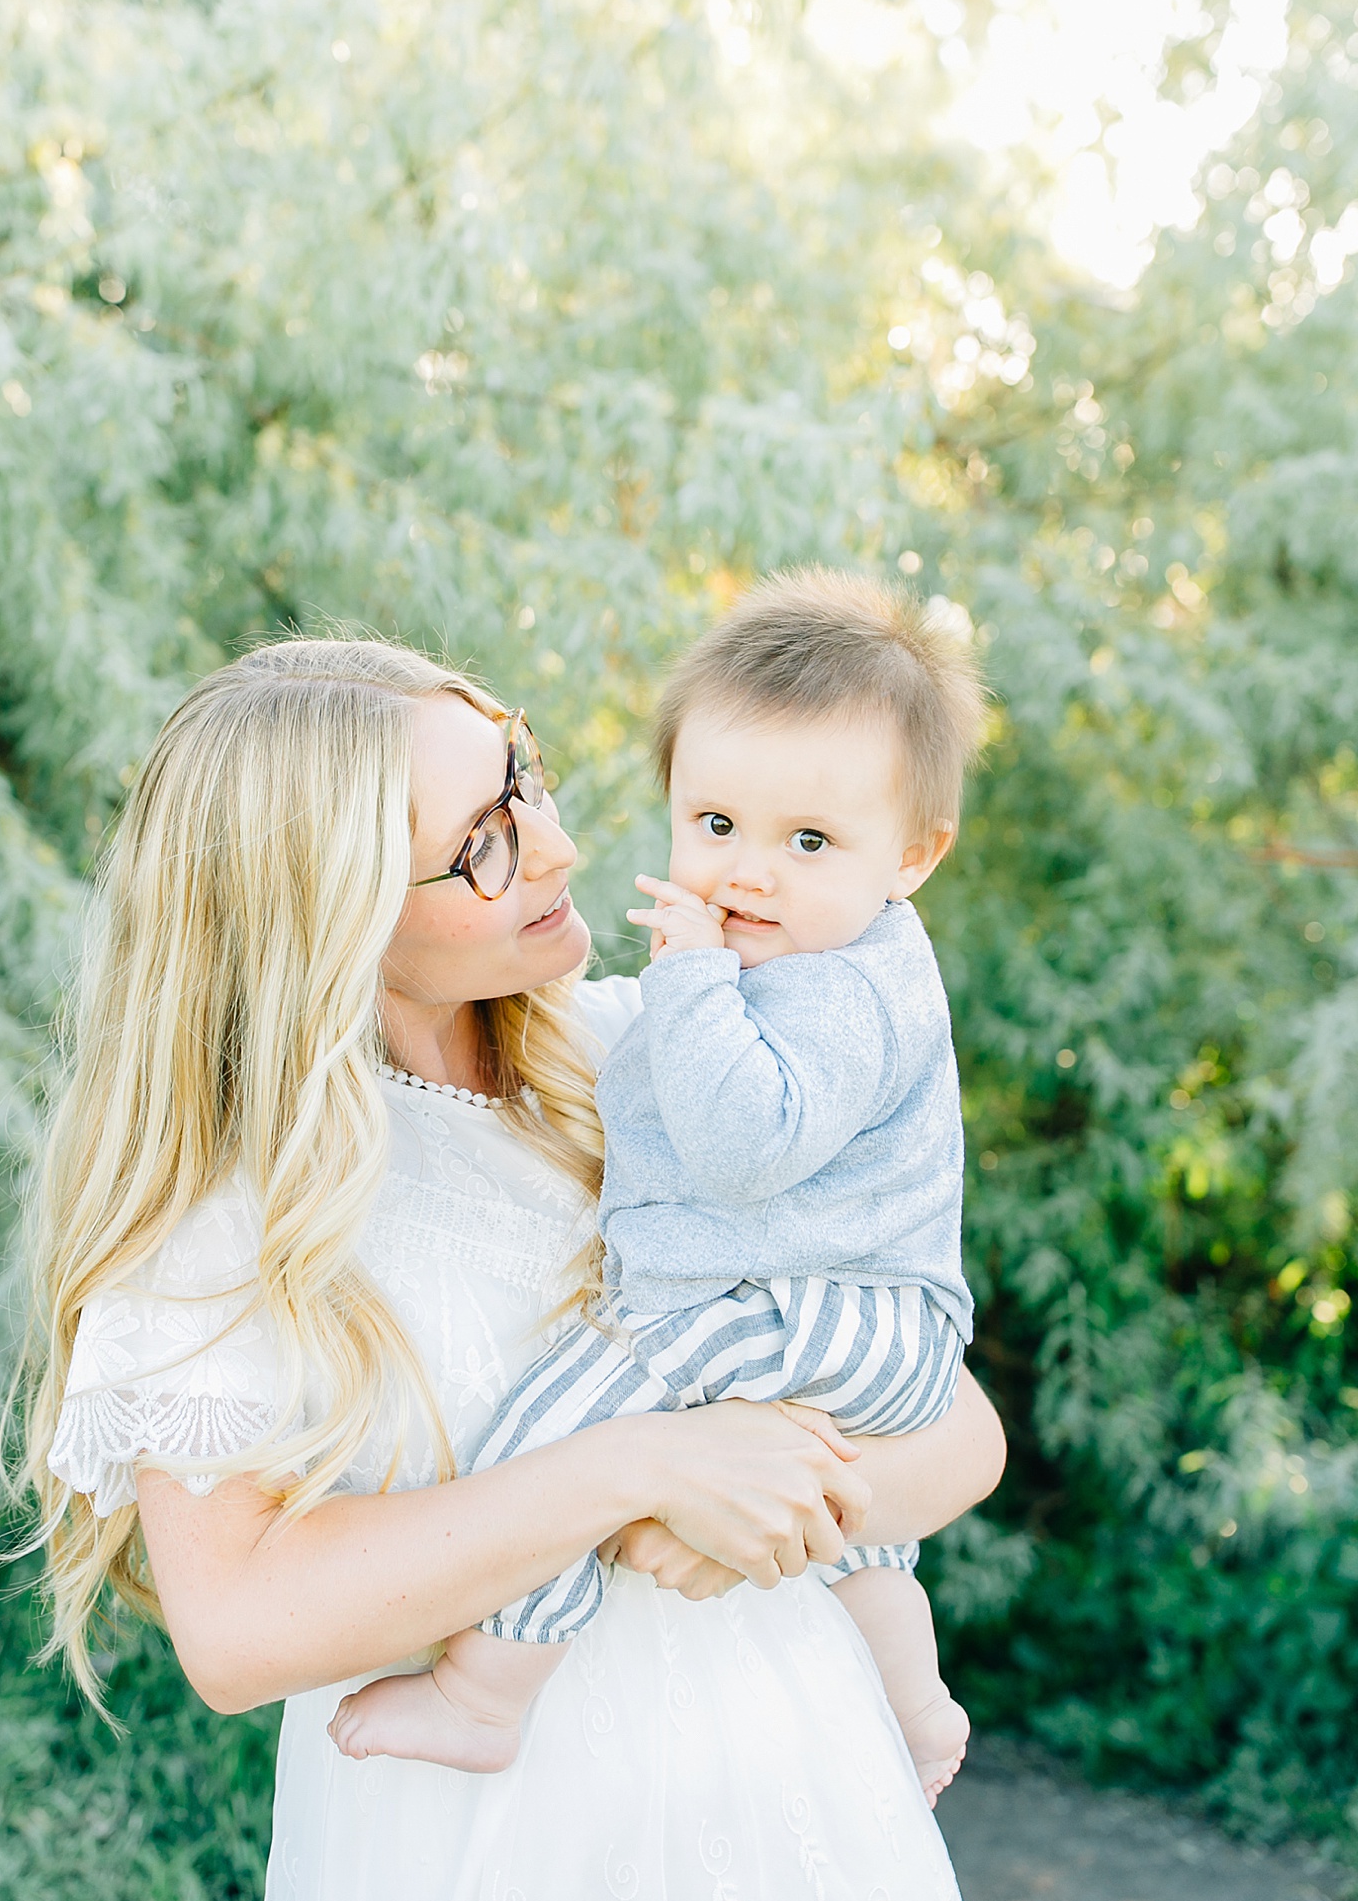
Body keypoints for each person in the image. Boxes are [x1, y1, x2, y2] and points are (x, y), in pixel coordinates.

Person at [21, 634, 1004, 1901]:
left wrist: (742, 1508)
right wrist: (630, 1475)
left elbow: (956, 1432)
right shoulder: (229, 1214)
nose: (554, 843)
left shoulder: (656, 1053)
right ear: (322, 915)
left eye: (525, 778)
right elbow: (240, 1626)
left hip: (799, 1833)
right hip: (498, 1893)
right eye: (477, 841)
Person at [329, 572, 978, 1803]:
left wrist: (688, 980)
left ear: (915, 855)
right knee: (860, 1539)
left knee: (575, 1400)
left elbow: (743, 1144)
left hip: (833, 1312)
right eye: (716, 824)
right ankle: (911, 1692)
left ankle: (484, 1689)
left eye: (807, 841)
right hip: (856, 1318)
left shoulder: (837, 986)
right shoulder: (815, 956)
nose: (747, 875)